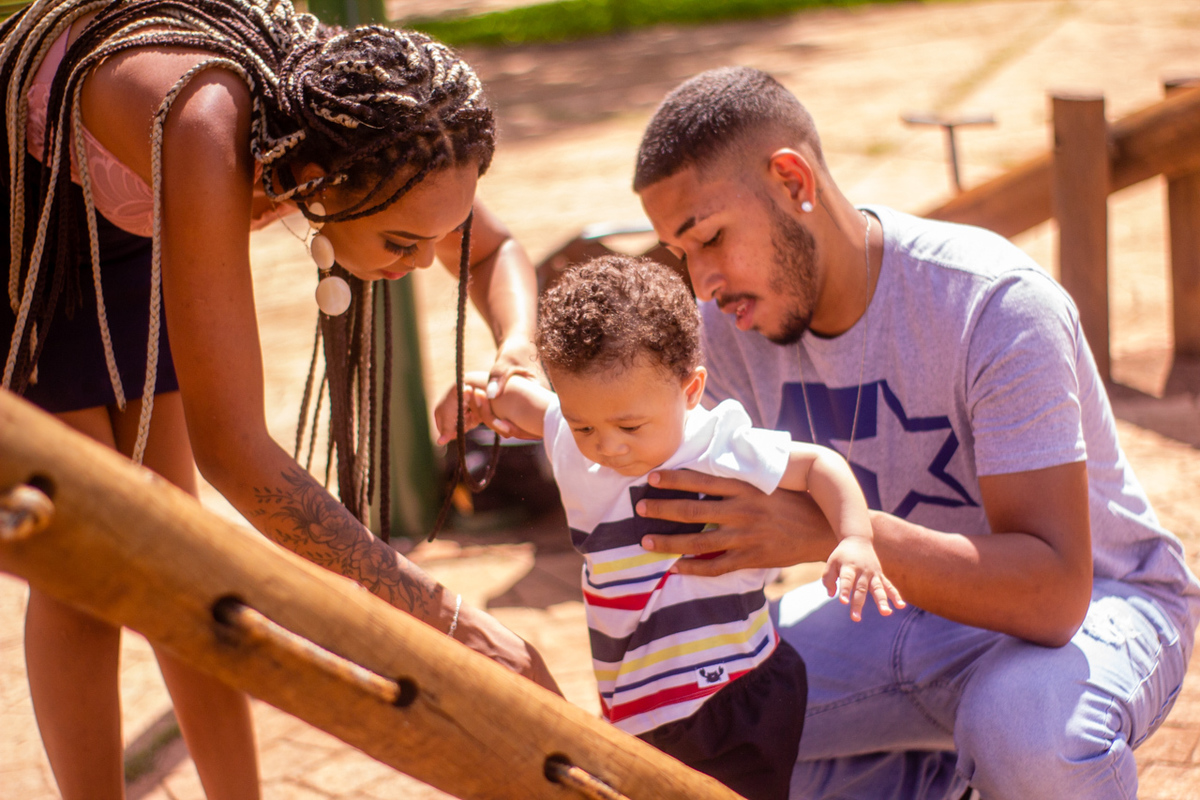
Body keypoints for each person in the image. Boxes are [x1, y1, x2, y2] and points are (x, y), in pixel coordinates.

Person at [0, 2, 557, 798]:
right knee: (86, 552)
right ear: (309, 179)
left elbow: (494, 252)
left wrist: (516, 348)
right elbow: (239, 456)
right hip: (23, 212)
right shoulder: (203, 126)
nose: (426, 260)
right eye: (403, 242)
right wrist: (451, 621)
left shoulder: (374, 106)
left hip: (124, 208)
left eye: (440, 232)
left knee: (172, 536)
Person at [628, 66, 1200, 800]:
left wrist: (826, 527)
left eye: (708, 238)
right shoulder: (729, 328)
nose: (701, 280)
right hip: (896, 607)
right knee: (694, 717)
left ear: (792, 181)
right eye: (681, 256)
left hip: (1098, 605)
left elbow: (1053, 595)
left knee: (1027, 735)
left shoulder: (992, 302)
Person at [435, 255, 903, 800]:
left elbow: (819, 465)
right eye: (585, 423)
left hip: (733, 695)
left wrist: (854, 538)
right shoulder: (570, 432)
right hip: (636, 707)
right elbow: (519, 399)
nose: (608, 444)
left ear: (689, 390)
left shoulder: (714, 444)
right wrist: (475, 397)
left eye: (630, 426)